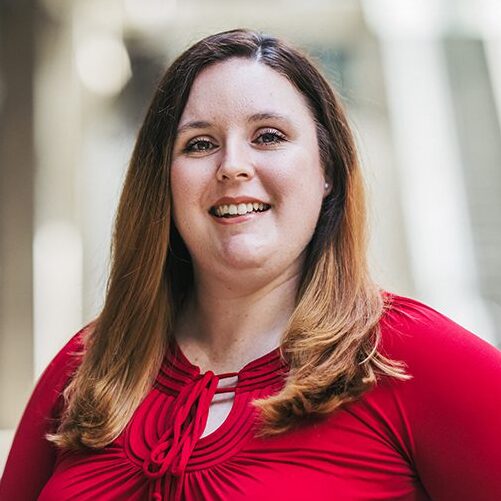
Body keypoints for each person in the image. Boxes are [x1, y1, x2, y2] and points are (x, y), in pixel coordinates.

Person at [1, 28, 501, 501]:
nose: (233, 165)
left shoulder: (413, 360)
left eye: (269, 136)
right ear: (163, 183)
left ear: (327, 170)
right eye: (199, 144)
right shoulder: (89, 367)